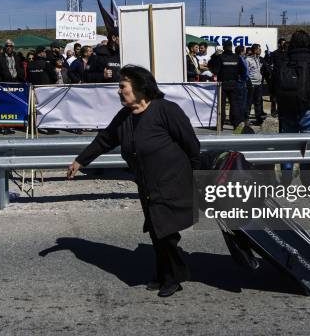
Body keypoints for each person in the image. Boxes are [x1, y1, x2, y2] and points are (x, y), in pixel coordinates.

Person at [67, 65, 200, 297]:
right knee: (157, 232)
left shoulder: (166, 110)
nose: (119, 91)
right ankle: (162, 273)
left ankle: (174, 276)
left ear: (139, 88)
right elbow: (104, 140)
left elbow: (191, 145)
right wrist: (81, 161)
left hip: (173, 181)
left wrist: (196, 174)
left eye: (122, 87)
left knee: (165, 232)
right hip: (147, 184)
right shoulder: (125, 118)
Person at [273, 30, 310, 184]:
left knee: (288, 145)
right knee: (307, 146)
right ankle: (306, 180)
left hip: (286, 108)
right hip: (309, 108)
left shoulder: (283, 59)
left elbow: (274, 85)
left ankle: (285, 180)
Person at [209, 40, 246, 133]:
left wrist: (214, 56)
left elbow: (214, 70)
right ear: (231, 47)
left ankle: (220, 126)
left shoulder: (220, 57)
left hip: (222, 84)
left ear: (224, 47)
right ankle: (235, 125)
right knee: (234, 105)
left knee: (221, 106)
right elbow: (243, 71)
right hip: (234, 84)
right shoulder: (237, 57)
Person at [245, 43, 265, 126]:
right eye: (259, 49)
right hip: (251, 84)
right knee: (249, 102)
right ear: (255, 50)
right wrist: (249, 82)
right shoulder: (248, 59)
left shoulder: (258, 59)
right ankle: (246, 119)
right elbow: (246, 72)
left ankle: (258, 118)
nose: (260, 50)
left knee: (258, 102)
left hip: (259, 83)